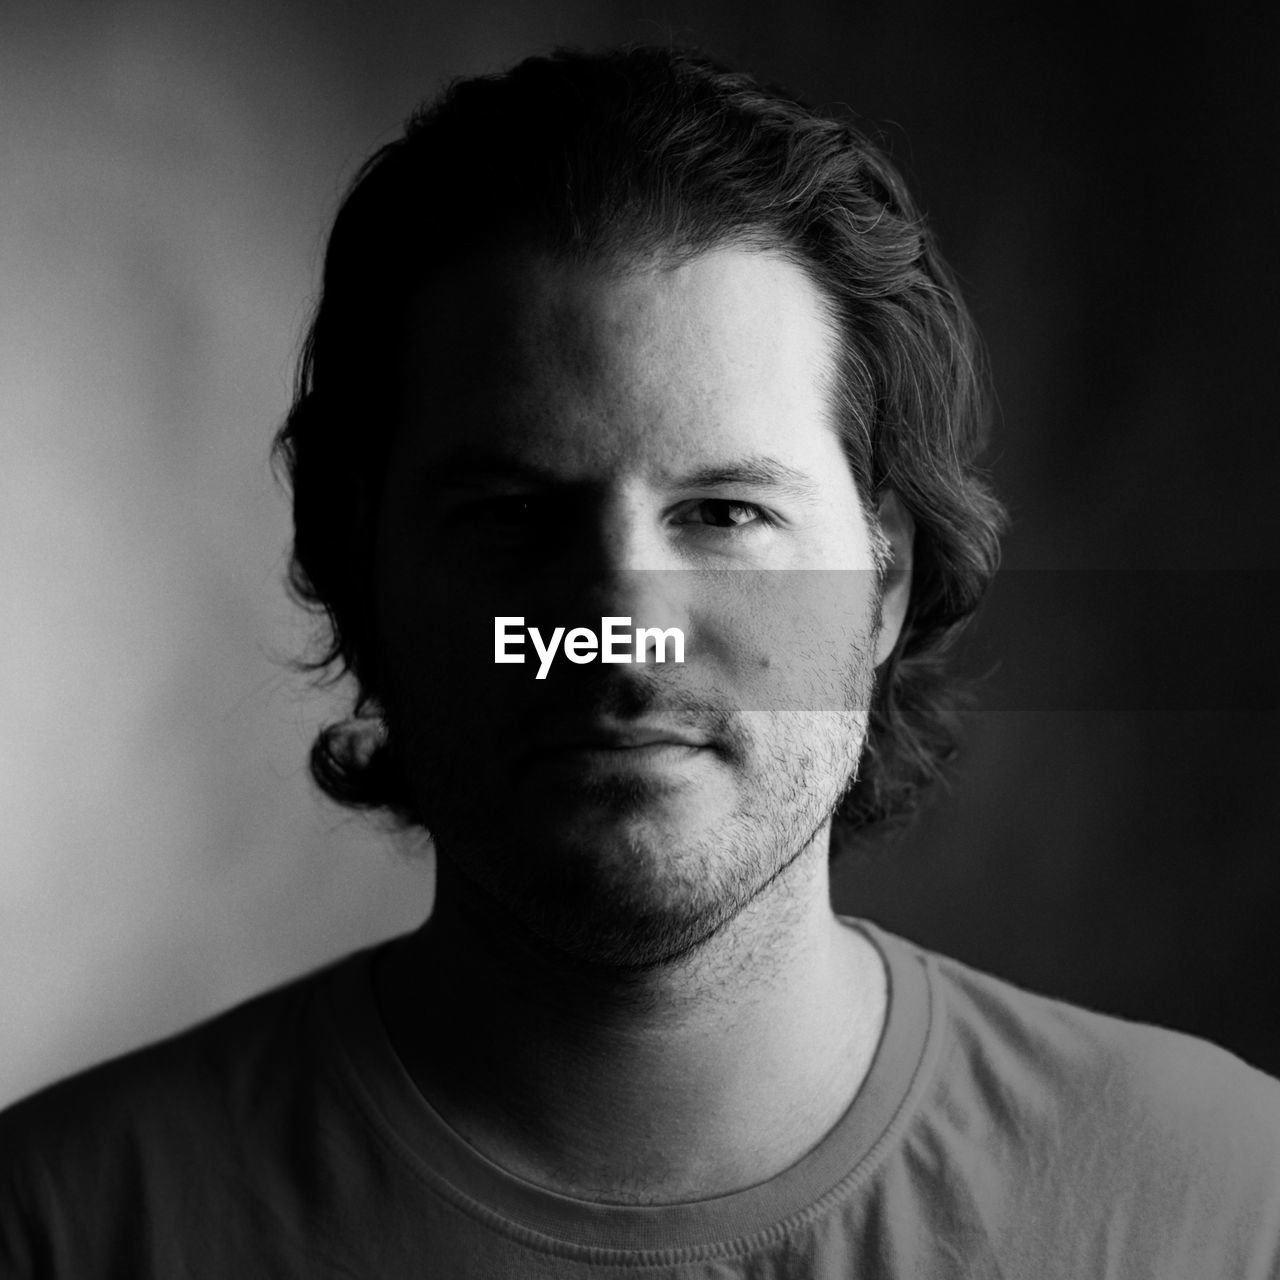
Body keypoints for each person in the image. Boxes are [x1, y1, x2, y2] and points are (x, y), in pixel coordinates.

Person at [2, 44, 1278, 1279]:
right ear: (361, 570)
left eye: (724, 513)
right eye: (507, 516)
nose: (619, 628)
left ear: (882, 581)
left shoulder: (1225, 1202)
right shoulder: (60, 1225)